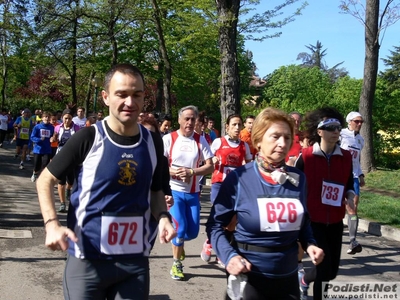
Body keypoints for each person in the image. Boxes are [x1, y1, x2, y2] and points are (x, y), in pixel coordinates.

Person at [36, 63, 176, 300]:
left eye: (137, 95)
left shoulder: (153, 141)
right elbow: (45, 179)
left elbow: (155, 190)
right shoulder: (89, 137)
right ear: (105, 97)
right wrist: (51, 224)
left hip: (134, 262)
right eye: (122, 94)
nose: (130, 102)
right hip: (88, 261)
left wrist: (163, 217)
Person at [206, 107, 324, 300]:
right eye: (275, 136)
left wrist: (310, 243)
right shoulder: (239, 178)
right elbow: (215, 225)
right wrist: (229, 256)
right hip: (249, 277)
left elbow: (303, 222)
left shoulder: (298, 179)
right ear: (258, 141)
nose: (282, 143)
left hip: (288, 277)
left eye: (287, 137)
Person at [295, 107, 355, 300]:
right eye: (330, 127)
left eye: (338, 127)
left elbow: (348, 182)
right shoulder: (306, 157)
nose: (335, 131)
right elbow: (294, 184)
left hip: (336, 220)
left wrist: (351, 194)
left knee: (331, 272)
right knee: (323, 268)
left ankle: (305, 280)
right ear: (319, 131)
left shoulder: (345, 157)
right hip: (313, 221)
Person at [163, 105, 214, 280]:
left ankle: (180, 247)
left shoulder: (201, 140)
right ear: (179, 120)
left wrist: (192, 172)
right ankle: (176, 265)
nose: (190, 122)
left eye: (193, 119)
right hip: (174, 191)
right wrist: (174, 172)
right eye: (187, 118)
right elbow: (159, 166)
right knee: (180, 229)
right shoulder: (169, 139)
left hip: (193, 192)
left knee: (192, 232)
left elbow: (210, 165)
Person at [201, 114, 252, 266]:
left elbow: (249, 166)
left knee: (232, 222)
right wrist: (213, 159)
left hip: (236, 187)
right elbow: (207, 158)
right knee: (220, 218)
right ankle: (211, 244)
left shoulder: (245, 146)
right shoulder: (218, 142)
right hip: (219, 184)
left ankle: (220, 251)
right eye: (234, 124)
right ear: (227, 127)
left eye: (239, 125)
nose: (237, 128)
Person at [340, 111, 365, 255]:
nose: (359, 124)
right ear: (349, 121)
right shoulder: (341, 134)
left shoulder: (361, 140)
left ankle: (353, 241)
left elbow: (357, 161)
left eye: (361, 122)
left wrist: (360, 175)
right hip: (339, 176)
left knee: (352, 208)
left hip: (353, 177)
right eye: (357, 121)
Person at [51, 109, 80, 213]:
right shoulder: (58, 127)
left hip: (72, 157)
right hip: (61, 156)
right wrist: (53, 139)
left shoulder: (76, 128)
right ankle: (62, 203)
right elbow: (54, 137)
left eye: (69, 118)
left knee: (71, 181)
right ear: (62, 118)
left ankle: (69, 189)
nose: (67, 120)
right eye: (65, 118)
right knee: (61, 181)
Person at [30, 111, 54, 182]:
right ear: (42, 118)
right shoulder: (37, 127)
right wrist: (39, 139)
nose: (47, 118)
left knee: (45, 164)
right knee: (37, 164)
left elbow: (53, 136)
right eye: (45, 117)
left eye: (48, 117)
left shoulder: (51, 127)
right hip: (38, 149)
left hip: (47, 149)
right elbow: (32, 137)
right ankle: (34, 173)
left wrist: (53, 138)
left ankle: (42, 177)